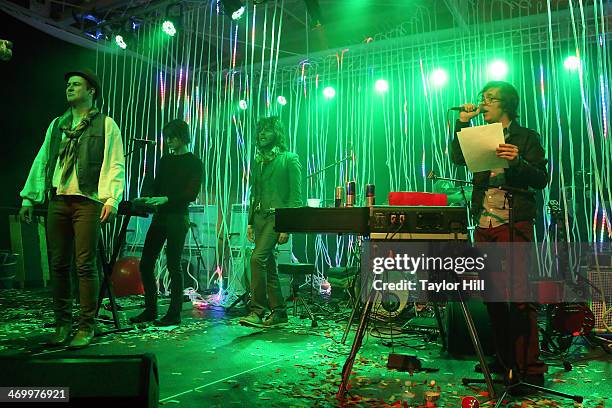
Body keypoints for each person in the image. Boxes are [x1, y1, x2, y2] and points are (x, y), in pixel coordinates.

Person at [451, 81, 549, 393]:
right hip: (485, 221)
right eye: (482, 98)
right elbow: (457, 158)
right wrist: (461, 124)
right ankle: (504, 359)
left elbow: (541, 178)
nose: (483, 103)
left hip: (514, 220)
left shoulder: (526, 136)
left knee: (520, 296)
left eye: (489, 99)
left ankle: (530, 368)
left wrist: (517, 161)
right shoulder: (479, 134)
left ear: (505, 104)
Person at [19, 68, 125, 348]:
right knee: (58, 264)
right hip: (59, 200)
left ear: (91, 91)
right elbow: (42, 160)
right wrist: (29, 197)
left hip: (87, 202)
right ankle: (62, 323)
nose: (70, 88)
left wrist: (111, 199)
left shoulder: (105, 125)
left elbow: (114, 163)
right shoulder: (57, 125)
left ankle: (86, 326)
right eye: (68, 84)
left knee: (84, 265)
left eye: (76, 84)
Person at [129, 120, 202, 326]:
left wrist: (166, 198)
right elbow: (156, 184)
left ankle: (174, 313)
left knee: (173, 265)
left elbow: (191, 193)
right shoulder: (165, 161)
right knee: (145, 264)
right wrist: (148, 197)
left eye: (173, 137)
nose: (169, 141)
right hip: (161, 216)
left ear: (182, 137)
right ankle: (151, 310)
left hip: (178, 216)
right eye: (167, 137)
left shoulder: (194, 162)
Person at [239, 116, 302, 328]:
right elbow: (254, 194)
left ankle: (257, 310)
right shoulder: (258, 162)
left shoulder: (289, 159)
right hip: (259, 217)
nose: (262, 134)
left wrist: (288, 226)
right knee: (268, 266)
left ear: (277, 133)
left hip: (277, 217)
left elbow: (295, 198)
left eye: (267, 130)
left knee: (256, 259)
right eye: (260, 131)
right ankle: (280, 313)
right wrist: (249, 222)